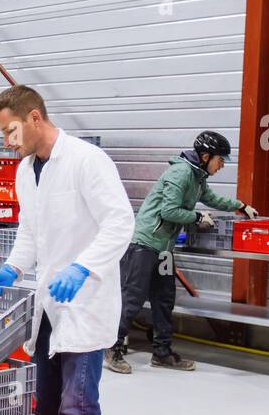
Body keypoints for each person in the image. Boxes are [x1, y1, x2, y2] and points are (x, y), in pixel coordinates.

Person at [0, 86, 134, 415]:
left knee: (78, 407)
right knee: (45, 407)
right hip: (48, 305)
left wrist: (82, 267)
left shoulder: (86, 161)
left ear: (34, 118)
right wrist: (12, 268)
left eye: (11, 131)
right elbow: (30, 232)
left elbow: (120, 223)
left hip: (84, 305)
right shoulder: (25, 171)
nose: (8, 142)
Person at [104, 130, 259, 374]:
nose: (221, 166)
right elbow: (169, 211)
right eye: (220, 160)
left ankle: (162, 353)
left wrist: (240, 206)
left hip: (164, 250)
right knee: (133, 298)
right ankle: (112, 349)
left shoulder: (198, 178)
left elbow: (212, 198)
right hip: (145, 244)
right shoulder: (181, 173)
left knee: (164, 299)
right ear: (206, 156)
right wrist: (197, 217)